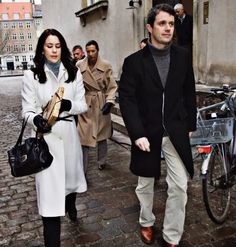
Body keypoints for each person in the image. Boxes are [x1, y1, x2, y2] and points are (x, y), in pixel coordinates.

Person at [119, 4, 196, 247]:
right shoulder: (133, 62)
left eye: (171, 24)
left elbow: (189, 91)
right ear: (150, 27)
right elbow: (127, 99)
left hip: (175, 131)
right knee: (145, 183)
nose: (168, 28)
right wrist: (137, 133)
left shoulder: (183, 56)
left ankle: (172, 235)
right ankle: (146, 221)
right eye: (162, 23)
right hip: (147, 132)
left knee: (180, 186)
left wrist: (190, 123)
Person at [21, 28, 88, 247]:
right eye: (49, 46)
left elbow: (82, 105)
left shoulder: (73, 72)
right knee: (50, 206)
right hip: (45, 143)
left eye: (58, 46)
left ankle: (71, 204)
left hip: (68, 139)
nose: (54, 50)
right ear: (42, 48)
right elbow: (27, 109)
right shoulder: (31, 74)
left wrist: (68, 105)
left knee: (69, 186)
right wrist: (35, 120)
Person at [76, 40, 117, 173]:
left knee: (102, 135)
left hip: (100, 102)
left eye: (93, 51)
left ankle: (102, 161)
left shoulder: (105, 65)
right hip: (86, 104)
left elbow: (112, 86)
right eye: (88, 51)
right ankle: (83, 167)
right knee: (84, 136)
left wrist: (110, 101)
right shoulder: (79, 65)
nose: (91, 54)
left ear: (98, 50)